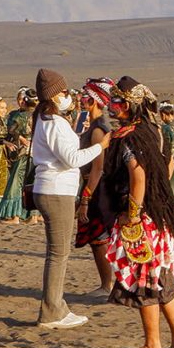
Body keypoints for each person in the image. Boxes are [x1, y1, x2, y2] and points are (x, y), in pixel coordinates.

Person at [101, 76, 174, 348]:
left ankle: (153, 345)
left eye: (116, 102)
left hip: (143, 220)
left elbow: (137, 176)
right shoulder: (156, 130)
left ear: (128, 105)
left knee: (145, 278)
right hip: (160, 216)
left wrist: (133, 215)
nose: (111, 107)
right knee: (163, 277)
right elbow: (170, 164)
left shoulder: (131, 137)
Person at [32, 68, 110, 330]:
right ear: (54, 96)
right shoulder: (54, 123)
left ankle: (56, 306)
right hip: (56, 192)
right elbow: (72, 159)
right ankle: (52, 311)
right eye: (64, 92)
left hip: (51, 189)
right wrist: (101, 146)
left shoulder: (46, 121)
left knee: (56, 253)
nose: (69, 96)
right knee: (58, 254)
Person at [74, 77, 115, 294]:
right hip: (93, 185)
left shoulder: (99, 130)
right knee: (97, 238)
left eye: (86, 98)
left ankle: (106, 284)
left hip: (98, 189)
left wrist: (86, 198)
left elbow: (98, 168)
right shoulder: (93, 126)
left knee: (99, 238)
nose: (81, 101)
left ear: (95, 101)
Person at [0, 88, 37, 223]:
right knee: (32, 182)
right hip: (37, 152)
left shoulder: (20, 116)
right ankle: (33, 216)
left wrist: (19, 137)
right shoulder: (40, 115)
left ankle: (15, 216)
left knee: (16, 182)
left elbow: (11, 130)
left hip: (23, 152)